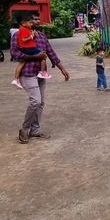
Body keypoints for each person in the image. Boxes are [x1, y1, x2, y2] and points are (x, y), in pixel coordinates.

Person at [10, 14, 70, 144]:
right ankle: (24, 129)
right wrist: (35, 57)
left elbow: (51, 52)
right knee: (35, 101)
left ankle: (35, 130)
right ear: (26, 22)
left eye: (38, 19)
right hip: (28, 73)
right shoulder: (18, 35)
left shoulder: (42, 36)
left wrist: (62, 69)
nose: (37, 21)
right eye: (34, 19)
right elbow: (14, 53)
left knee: (41, 103)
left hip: (40, 74)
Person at [11, 16, 50, 88]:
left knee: (22, 62)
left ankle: (16, 79)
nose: (32, 24)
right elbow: (24, 40)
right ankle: (42, 72)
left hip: (26, 49)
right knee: (43, 55)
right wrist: (32, 36)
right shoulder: (23, 30)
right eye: (30, 22)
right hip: (27, 50)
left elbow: (51, 51)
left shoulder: (27, 30)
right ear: (23, 23)